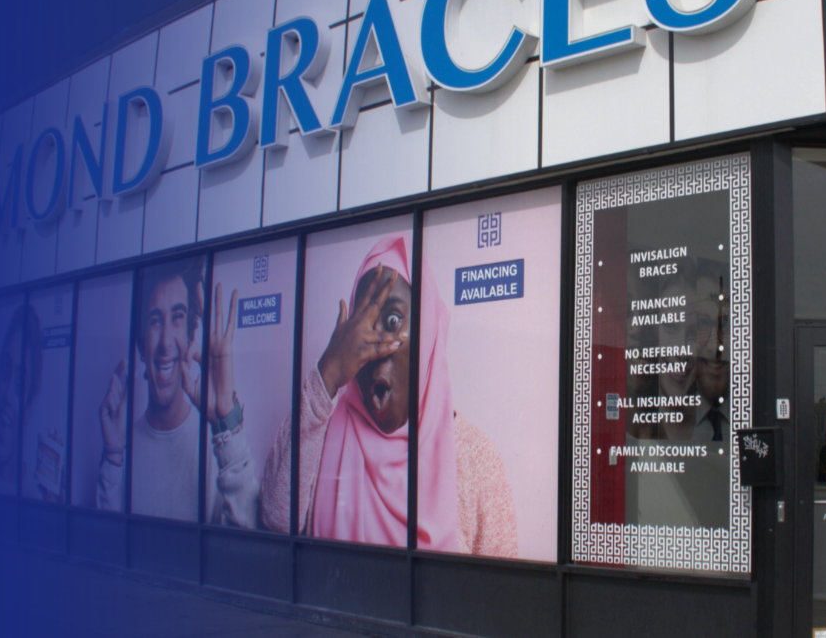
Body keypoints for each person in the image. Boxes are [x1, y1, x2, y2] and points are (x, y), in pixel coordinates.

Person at [257, 235, 518, 556]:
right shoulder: (322, 432)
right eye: (361, 325)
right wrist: (326, 375)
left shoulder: (475, 459)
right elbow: (275, 518)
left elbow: (501, 596)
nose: (373, 345)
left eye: (393, 320)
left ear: (427, 332)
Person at [95, 259, 259, 523]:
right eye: (155, 321)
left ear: (190, 335)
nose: (166, 342)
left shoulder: (218, 446)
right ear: (141, 342)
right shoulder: (122, 450)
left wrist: (227, 421)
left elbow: (247, 549)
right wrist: (113, 456)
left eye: (178, 317)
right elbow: (106, 548)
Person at [0, 303, 63, 500]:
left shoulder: (38, 495)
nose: (6, 396)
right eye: (5, 373)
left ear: (29, 408)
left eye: (20, 386)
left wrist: (52, 512)